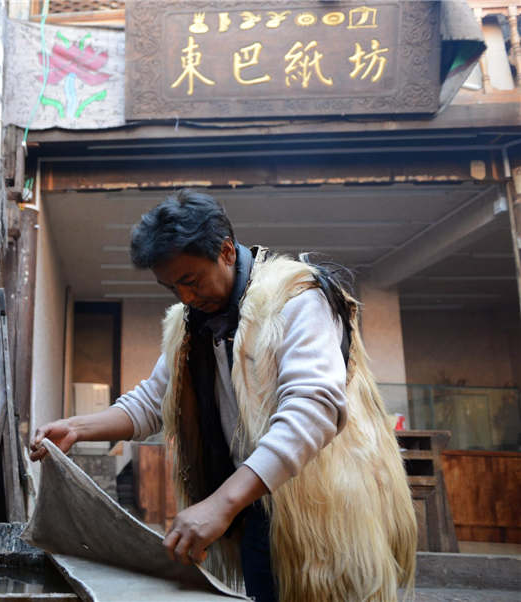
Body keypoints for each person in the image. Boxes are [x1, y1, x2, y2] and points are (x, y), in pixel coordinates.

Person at [30, 190, 416, 602]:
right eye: (171, 287)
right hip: (257, 506)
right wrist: (76, 427)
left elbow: (313, 410)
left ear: (227, 252)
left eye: (191, 280)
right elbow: (153, 402)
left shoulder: (298, 299)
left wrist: (221, 504)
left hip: (328, 511)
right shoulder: (191, 323)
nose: (185, 297)